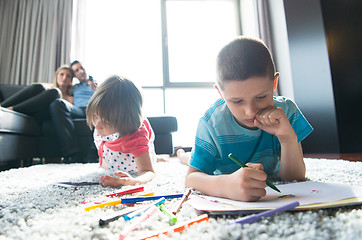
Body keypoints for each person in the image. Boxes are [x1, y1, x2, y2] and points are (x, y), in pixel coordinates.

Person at [184, 36, 313, 202]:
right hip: (224, 174)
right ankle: (183, 155)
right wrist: (225, 185)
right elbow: (191, 178)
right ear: (220, 93)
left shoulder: (286, 112)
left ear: (274, 84)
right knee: (191, 160)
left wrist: (287, 138)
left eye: (261, 97)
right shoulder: (210, 124)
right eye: (237, 101)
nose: (250, 111)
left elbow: (294, 179)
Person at [86, 75, 156, 187]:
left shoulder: (137, 136)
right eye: (95, 116)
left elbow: (148, 172)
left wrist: (131, 181)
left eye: (106, 122)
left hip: (133, 162)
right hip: (113, 156)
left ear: (125, 121)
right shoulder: (102, 125)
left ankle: (174, 155)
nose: (97, 125)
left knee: (145, 158)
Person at [49, 61, 96, 163]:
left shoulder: (96, 84)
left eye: (82, 68)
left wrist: (96, 86)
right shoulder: (74, 87)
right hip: (79, 110)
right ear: (74, 76)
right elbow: (54, 85)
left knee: (101, 112)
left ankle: (93, 155)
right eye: (77, 70)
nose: (81, 71)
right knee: (58, 103)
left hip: (95, 109)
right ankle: (73, 153)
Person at [0, 66, 75, 123]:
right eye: (61, 74)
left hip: (43, 114)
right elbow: (33, 85)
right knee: (39, 87)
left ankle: (13, 109)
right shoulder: (49, 91)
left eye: (68, 76)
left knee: (56, 92)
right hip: (30, 109)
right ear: (56, 77)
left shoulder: (70, 98)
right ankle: (2, 106)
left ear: (71, 80)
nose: (64, 78)